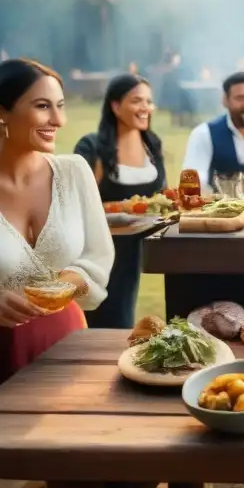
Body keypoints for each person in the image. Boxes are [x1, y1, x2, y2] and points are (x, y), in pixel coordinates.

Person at [0, 58, 113, 488]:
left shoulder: (74, 173)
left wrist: (72, 278)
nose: (59, 119)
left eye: (60, 105)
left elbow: (98, 255)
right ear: (0, 113)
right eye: (42, 106)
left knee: (71, 477)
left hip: (67, 349)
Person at [75, 74, 166, 329]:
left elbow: (163, 196)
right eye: (137, 101)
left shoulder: (152, 143)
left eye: (149, 101)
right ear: (116, 106)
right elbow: (78, 203)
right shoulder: (92, 147)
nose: (146, 107)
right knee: (104, 319)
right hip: (99, 248)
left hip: (135, 250)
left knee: (124, 313)